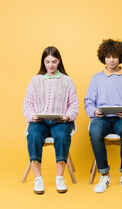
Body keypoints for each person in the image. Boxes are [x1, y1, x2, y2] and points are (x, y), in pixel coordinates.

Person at [84, 39, 122, 194]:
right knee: (95, 132)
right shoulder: (97, 78)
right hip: (102, 118)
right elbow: (88, 101)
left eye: (114, 56)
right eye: (108, 56)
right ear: (103, 57)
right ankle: (104, 175)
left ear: (120, 57)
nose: (111, 60)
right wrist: (95, 112)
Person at [23, 46, 79, 194]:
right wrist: (33, 115)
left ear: (59, 61)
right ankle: (38, 179)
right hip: (39, 121)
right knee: (33, 135)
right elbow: (27, 103)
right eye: (47, 62)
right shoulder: (35, 81)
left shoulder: (67, 81)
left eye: (54, 61)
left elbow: (74, 104)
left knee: (61, 136)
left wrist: (67, 116)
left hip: (60, 121)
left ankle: (60, 178)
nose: (51, 65)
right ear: (43, 62)